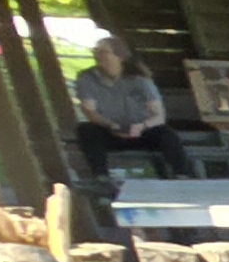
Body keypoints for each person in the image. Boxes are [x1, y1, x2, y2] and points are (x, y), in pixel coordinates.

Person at [71, 36, 189, 178]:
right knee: (86, 130)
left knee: (167, 134)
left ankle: (182, 174)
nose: (98, 56)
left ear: (119, 56)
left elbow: (159, 116)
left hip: (141, 131)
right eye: (96, 51)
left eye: (104, 52)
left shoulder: (140, 80)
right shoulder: (87, 78)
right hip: (110, 131)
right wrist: (110, 125)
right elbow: (89, 110)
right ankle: (100, 177)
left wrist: (142, 126)